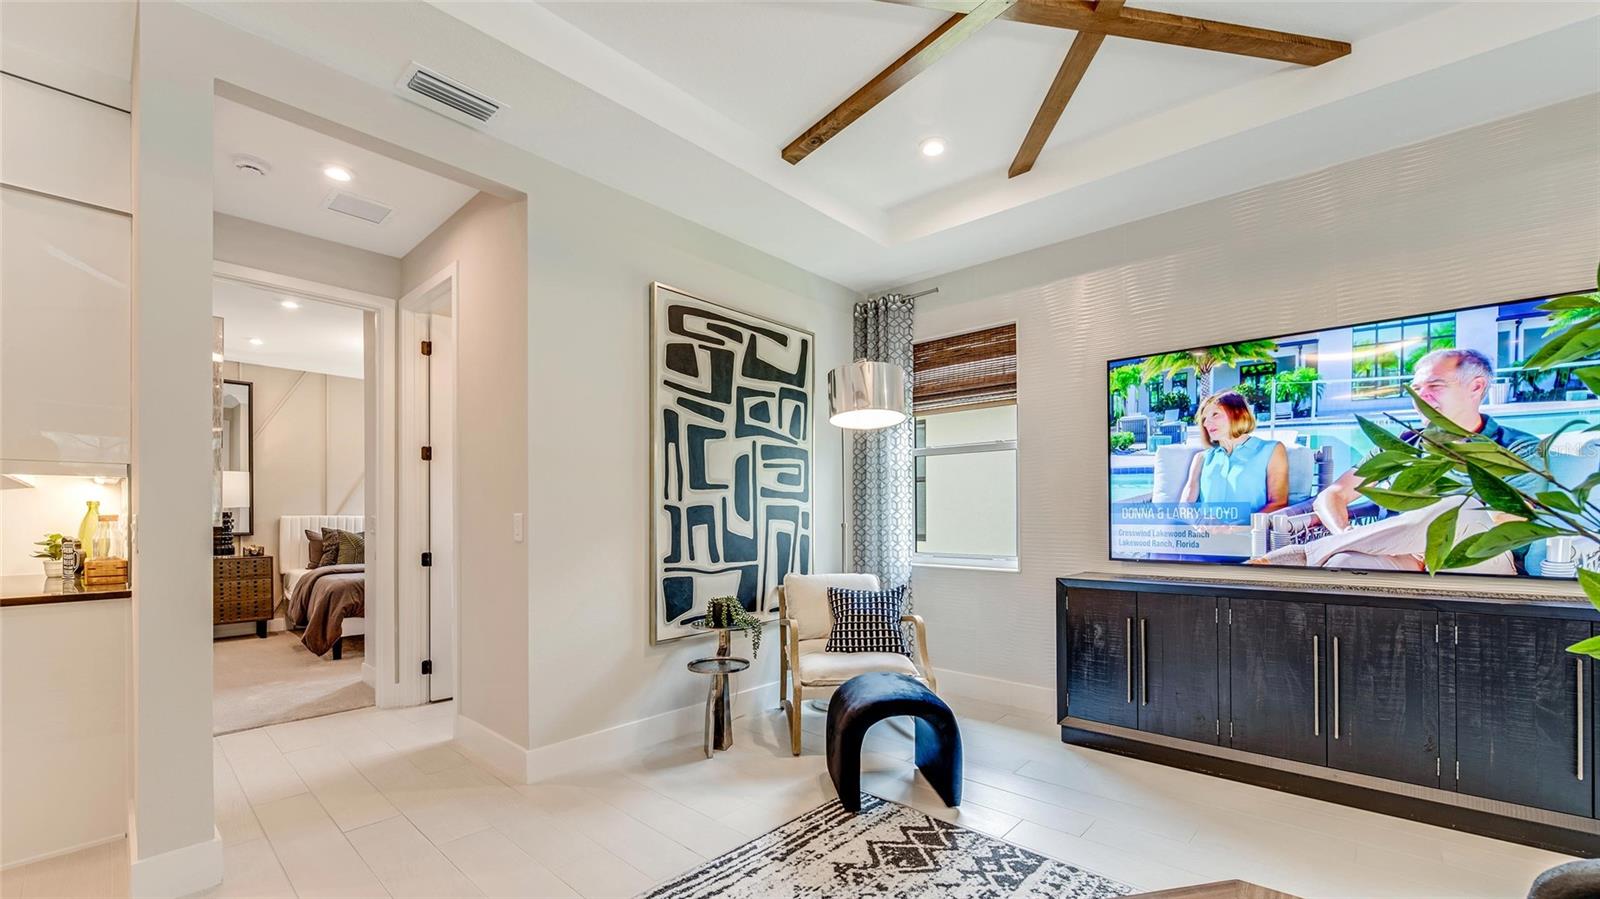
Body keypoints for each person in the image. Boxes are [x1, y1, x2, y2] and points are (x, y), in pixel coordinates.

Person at [1251, 348, 1539, 572]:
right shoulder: (1403, 445)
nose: (1420, 396)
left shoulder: (1518, 448)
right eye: (1416, 388)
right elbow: (1332, 495)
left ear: (1476, 387)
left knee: (1457, 507)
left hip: (1478, 559)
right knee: (1343, 563)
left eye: (1434, 385)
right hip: (1401, 554)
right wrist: (1347, 535)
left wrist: (1425, 542)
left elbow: (1510, 521)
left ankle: (1297, 556)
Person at [1180, 391, 1289, 514]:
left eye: (1215, 414)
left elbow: (1278, 503)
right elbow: (1185, 506)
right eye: (1204, 418)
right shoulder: (1201, 458)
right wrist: (1200, 521)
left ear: (1238, 414)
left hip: (1250, 527)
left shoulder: (1271, 450)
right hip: (1204, 527)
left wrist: (1241, 525)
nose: (1206, 423)